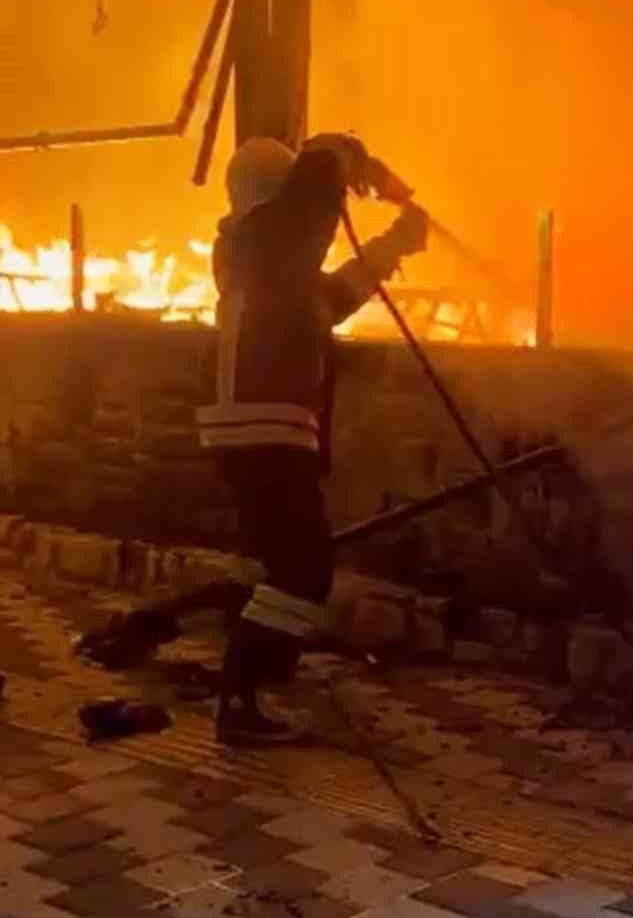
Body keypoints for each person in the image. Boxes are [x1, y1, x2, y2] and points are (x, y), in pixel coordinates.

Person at [77, 132, 426, 746]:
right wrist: (367, 166)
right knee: (303, 572)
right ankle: (239, 703)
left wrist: (396, 243)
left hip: (252, 424)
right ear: (282, 192)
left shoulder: (264, 260)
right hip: (265, 423)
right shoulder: (273, 238)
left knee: (281, 566)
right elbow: (322, 163)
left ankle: (237, 666)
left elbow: (332, 297)